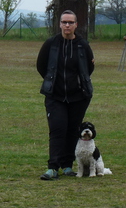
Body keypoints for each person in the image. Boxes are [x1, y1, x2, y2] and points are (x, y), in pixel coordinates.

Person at [36, 10, 95, 180]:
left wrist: (79, 84)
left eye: (70, 22)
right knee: (57, 129)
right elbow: (41, 65)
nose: (67, 25)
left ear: (76, 25)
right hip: (55, 96)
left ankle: (67, 165)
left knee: (72, 130)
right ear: (59, 24)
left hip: (78, 97)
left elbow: (89, 68)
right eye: (64, 22)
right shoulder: (51, 44)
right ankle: (53, 168)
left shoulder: (83, 45)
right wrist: (52, 81)